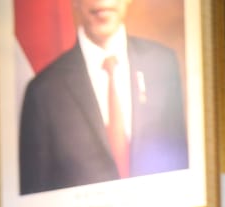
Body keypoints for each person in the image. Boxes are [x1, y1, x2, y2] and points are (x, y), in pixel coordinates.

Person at [19, 0, 190, 195]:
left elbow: (180, 165)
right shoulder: (42, 92)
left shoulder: (162, 63)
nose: (103, 2)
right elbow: (36, 197)